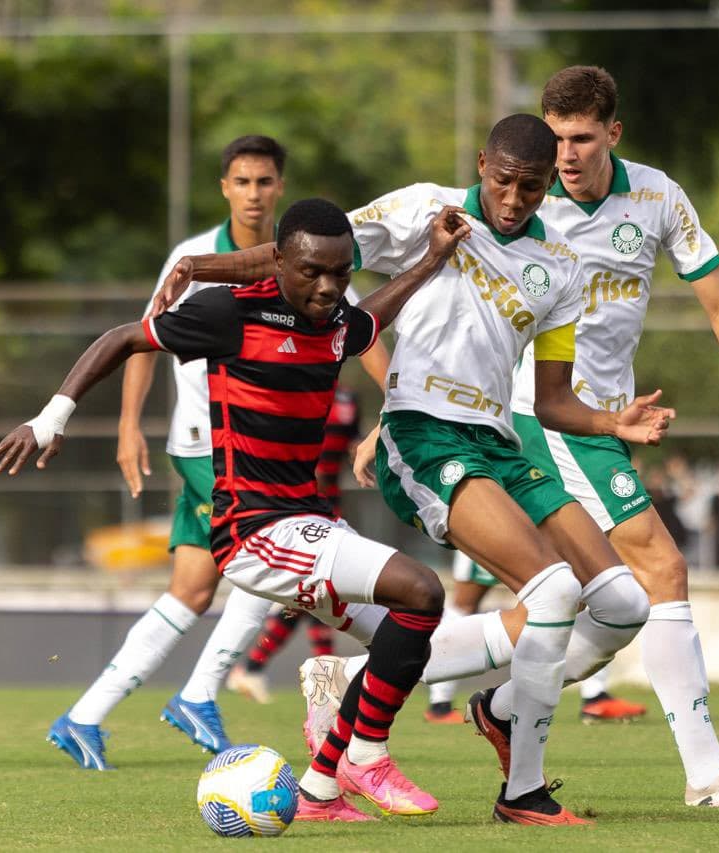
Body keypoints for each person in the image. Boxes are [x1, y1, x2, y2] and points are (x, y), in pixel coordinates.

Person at [153, 115, 676, 826]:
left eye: (531, 186)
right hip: (425, 433)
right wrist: (197, 268)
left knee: (623, 603)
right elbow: (299, 258)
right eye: (503, 181)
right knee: (552, 591)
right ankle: (521, 793)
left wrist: (613, 422)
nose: (515, 198)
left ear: (549, 182)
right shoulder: (423, 210)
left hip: (501, 443)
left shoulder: (563, 267)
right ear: (482, 164)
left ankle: (456, 701)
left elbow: (551, 400)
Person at [0, 198, 468, 822]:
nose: (327, 287)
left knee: (404, 650)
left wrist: (433, 257)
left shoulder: (335, 321)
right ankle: (364, 757)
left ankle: (321, 786)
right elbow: (123, 338)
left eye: (341, 272)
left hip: (312, 523)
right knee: (422, 589)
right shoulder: (228, 313)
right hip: (255, 529)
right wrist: (52, 417)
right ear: (276, 260)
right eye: (311, 272)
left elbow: (375, 314)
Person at [507, 65, 719, 806]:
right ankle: (708, 775)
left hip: (608, 418)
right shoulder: (523, 205)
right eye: (554, 138)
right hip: (551, 415)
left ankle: (380, 681)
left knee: (577, 602)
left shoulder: (657, 195)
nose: (565, 154)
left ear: (614, 131)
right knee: (663, 572)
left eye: (580, 138)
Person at [47, 136, 391, 768]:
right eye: (242, 181)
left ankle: (85, 714)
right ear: (224, 187)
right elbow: (143, 334)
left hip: (241, 440)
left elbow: (348, 328)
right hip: (210, 440)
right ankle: (201, 693)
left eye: (265, 181)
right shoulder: (193, 256)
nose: (254, 193)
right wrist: (128, 425)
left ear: (279, 187)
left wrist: (391, 400)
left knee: (192, 588)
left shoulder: (304, 257)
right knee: (273, 542)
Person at [226, 386, 360, 705]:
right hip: (297, 503)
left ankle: (257, 667)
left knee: (315, 591)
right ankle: (323, 675)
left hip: (330, 503)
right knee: (316, 586)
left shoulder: (348, 398)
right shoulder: (295, 390)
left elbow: (352, 441)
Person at [425, 553, 647, 725]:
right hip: (497, 518)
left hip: (536, 518)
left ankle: (595, 695)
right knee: (466, 602)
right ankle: (438, 702)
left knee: (574, 594)